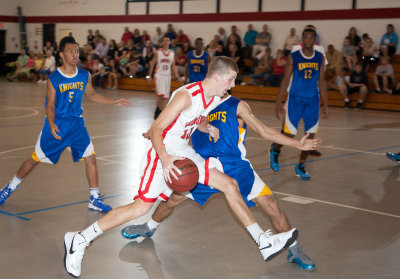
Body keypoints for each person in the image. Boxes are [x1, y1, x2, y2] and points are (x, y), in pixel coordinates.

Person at [64, 57, 299, 278]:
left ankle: (263, 243)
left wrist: (208, 128)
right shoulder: (186, 96)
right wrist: (165, 158)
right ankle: (80, 239)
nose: (233, 85)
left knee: (229, 184)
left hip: (184, 152)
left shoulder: (214, 97)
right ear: (217, 77)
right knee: (140, 208)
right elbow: (156, 128)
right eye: (230, 79)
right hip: (161, 152)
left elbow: (199, 118)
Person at [121, 93, 321, 271]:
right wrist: (153, 132)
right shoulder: (198, 102)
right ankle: (148, 227)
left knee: (271, 205)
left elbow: (263, 130)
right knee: (173, 199)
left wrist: (296, 143)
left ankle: (295, 249)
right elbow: (170, 122)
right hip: (203, 165)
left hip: (236, 166)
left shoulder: (237, 104)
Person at [0, 36, 131, 211]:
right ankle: (8, 189)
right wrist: (52, 124)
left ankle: (94, 199)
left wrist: (113, 101)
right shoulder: (54, 78)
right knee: (34, 160)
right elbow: (51, 105)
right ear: (61, 54)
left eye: (77, 51)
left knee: (90, 157)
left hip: (76, 125)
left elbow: (91, 95)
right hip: (57, 125)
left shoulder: (84, 75)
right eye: (71, 51)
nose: (75, 54)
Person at [269, 28, 328, 180]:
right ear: (302, 39)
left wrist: (325, 104)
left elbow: (321, 81)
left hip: (313, 101)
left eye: (311, 37)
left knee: (310, 136)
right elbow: (285, 79)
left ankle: (300, 166)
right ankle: (275, 150)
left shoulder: (320, 57)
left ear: (315, 40)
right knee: (289, 134)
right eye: (306, 37)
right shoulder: (294, 56)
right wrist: (278, 101)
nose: (308, 40)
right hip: (295, 99)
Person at [148, 36, 183, 119]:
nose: (166, 42)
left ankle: (158, 110)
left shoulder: (172, 53)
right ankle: (159, 112)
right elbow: (152, 63)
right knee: (161, 94)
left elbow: (173, 65)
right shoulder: (158, 52)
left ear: (169, 42)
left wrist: (177, 75)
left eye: (168, 40)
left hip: (167, 76)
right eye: (165, 40)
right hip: (159, 75)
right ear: (162, 43)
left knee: (165, 97)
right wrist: (149, 75)